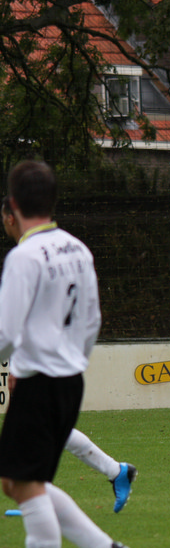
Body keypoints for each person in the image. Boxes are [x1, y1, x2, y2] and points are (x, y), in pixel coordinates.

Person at [0, 161, 132, 548]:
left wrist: (23, 363)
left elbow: (6, 331)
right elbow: (92, 320)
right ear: (53, 201)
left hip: (39, 380)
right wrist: (71, 360)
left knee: (21, 483)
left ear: (12, 206)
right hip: (69, 377)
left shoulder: (24, 256)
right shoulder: (78, 248)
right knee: (18, 480)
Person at [2, 197, 137, 513]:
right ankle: (114, 472)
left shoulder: (25, 256)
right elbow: (86, 318)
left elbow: (15, 327)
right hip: (58, 365)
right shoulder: (76, 248)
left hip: (45, 368)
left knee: (20, 474)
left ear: (11, 216)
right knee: (45, 440)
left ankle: (39, 503)